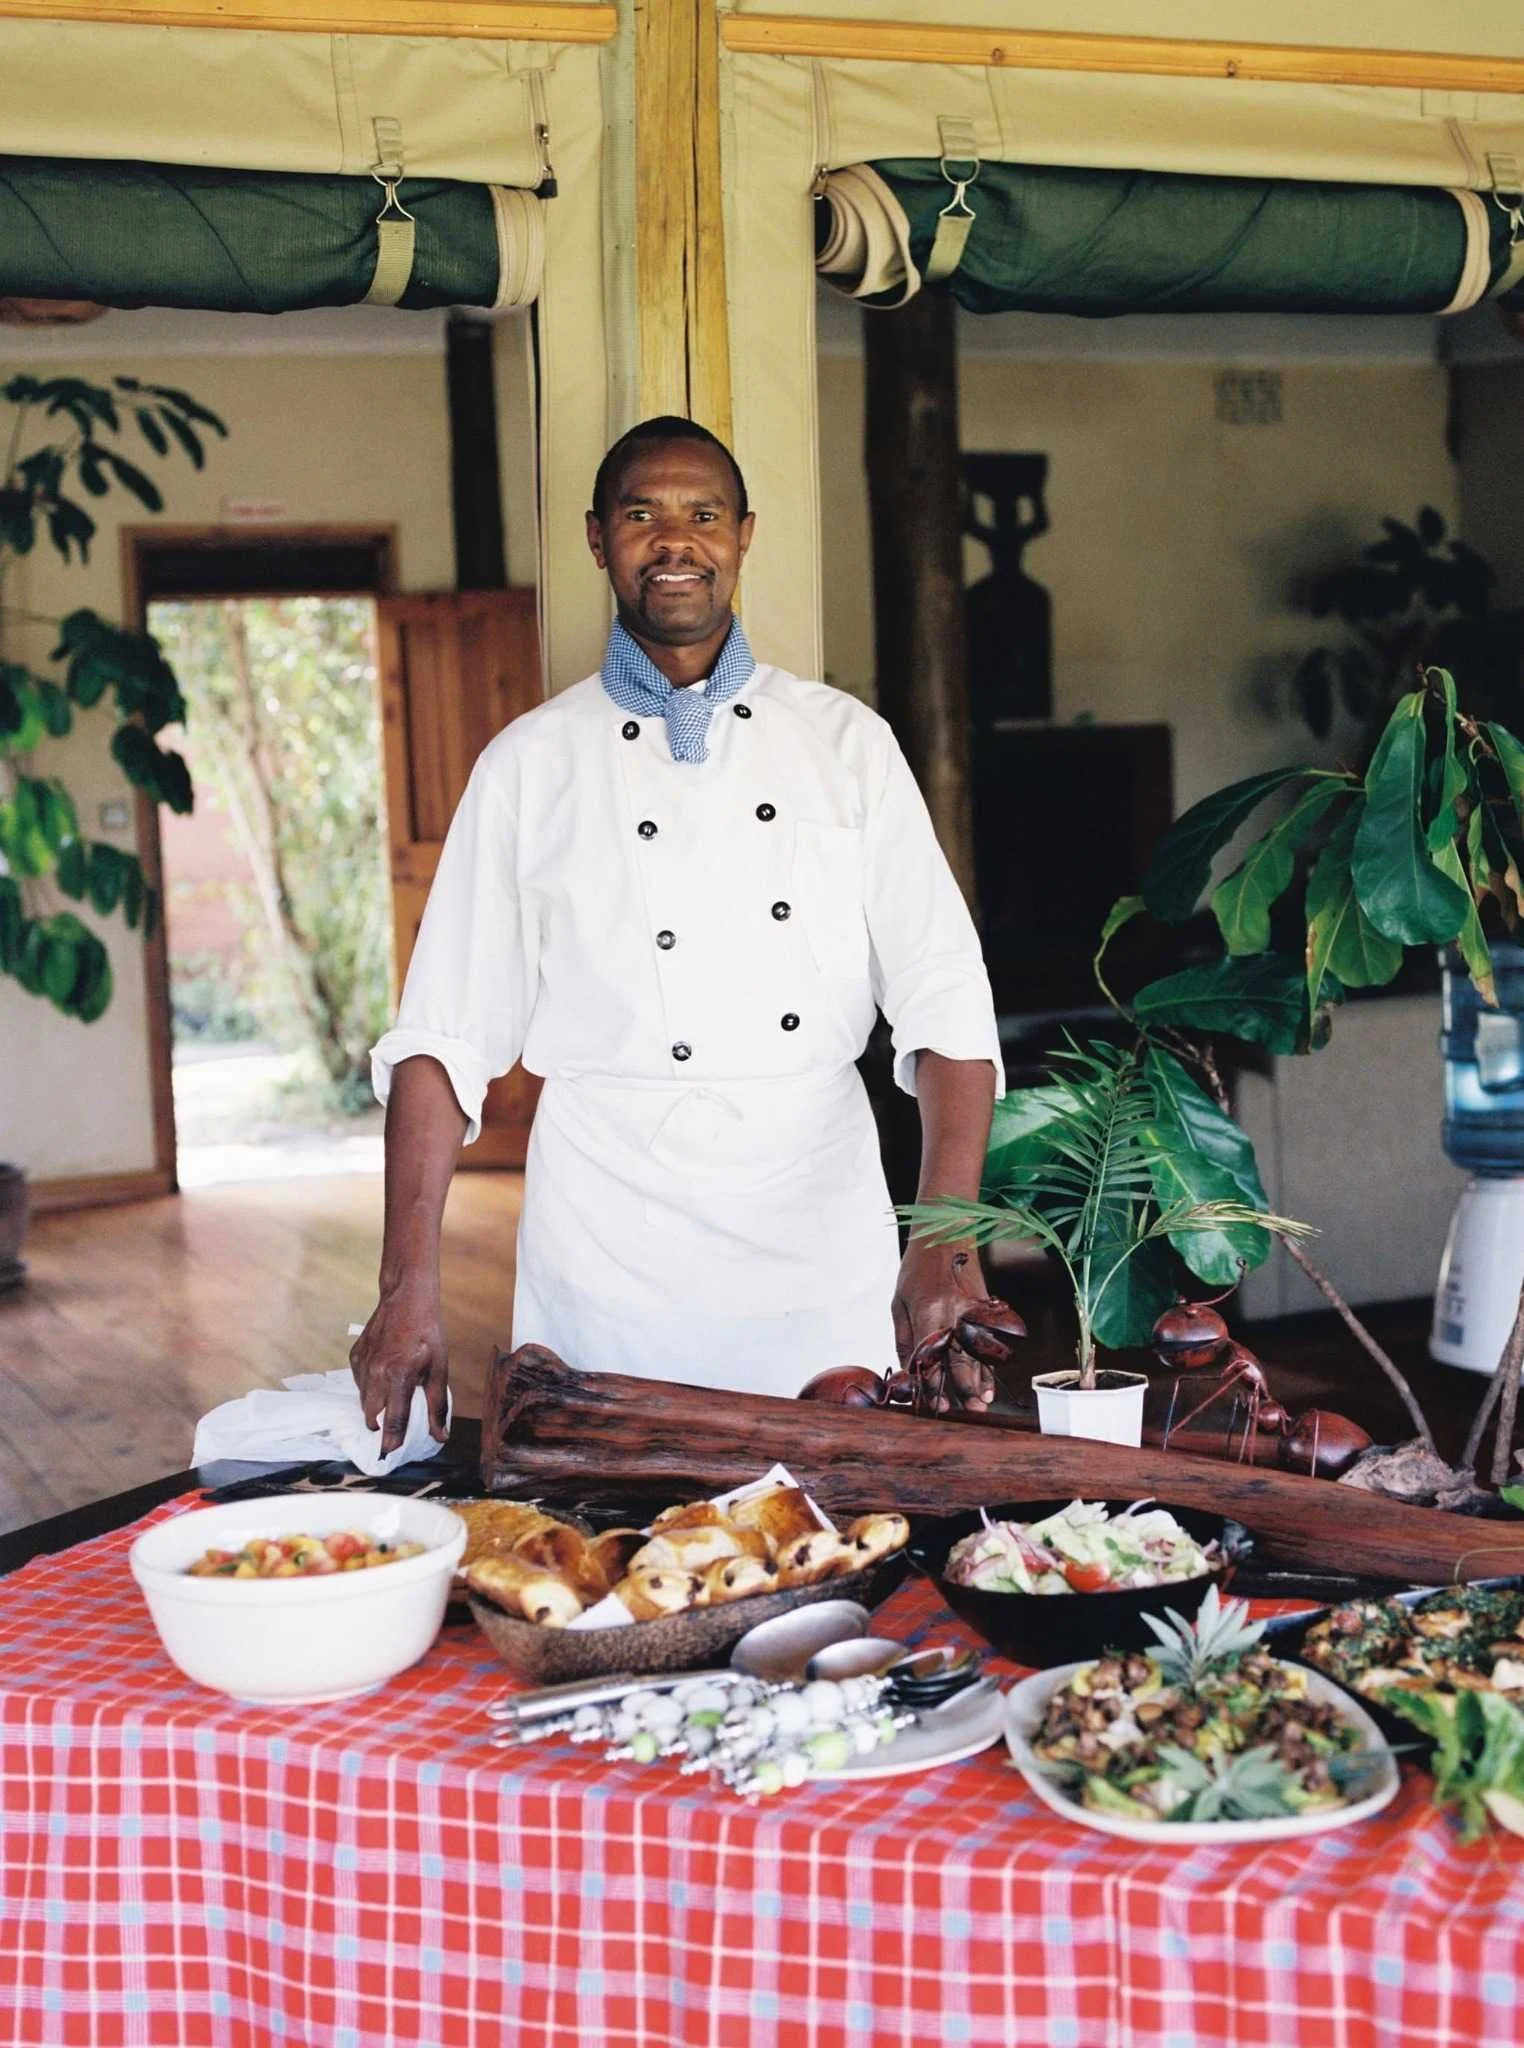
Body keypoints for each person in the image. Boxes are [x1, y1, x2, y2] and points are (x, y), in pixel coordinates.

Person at [352, 416, 1003, 1452]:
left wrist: (944, 1242)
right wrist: (405, 1284)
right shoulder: (528, 764)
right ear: (597, 540)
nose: (675, 540)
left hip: (816, 1230)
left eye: (703, 514)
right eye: (641, 514)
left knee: (841, 1542)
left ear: (744, 535)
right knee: (611, 1555)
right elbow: (441, 1037)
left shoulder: (847, 743)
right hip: (610, 1242)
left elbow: (945, 999)